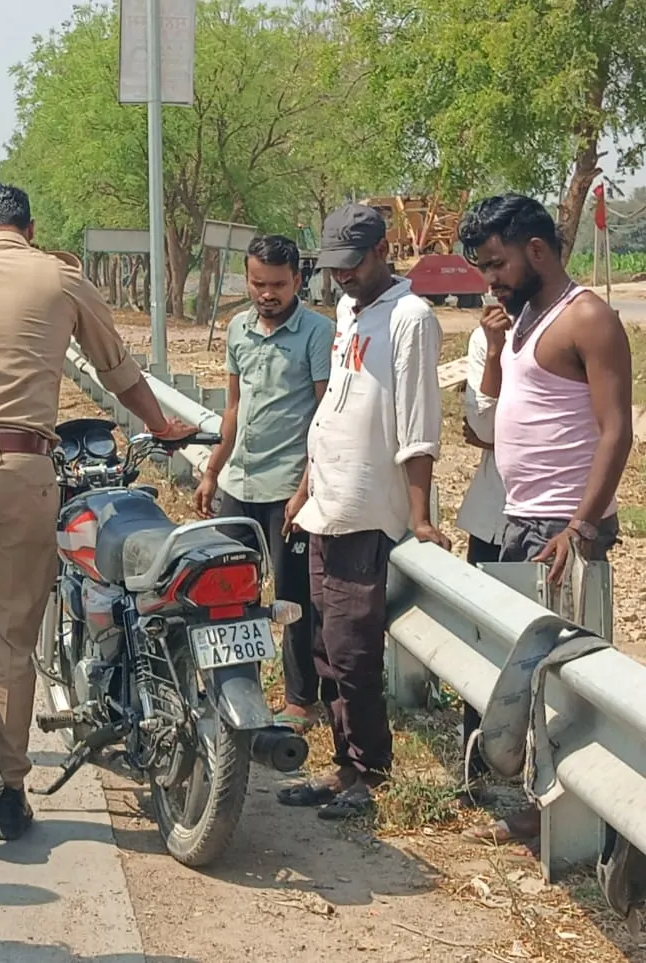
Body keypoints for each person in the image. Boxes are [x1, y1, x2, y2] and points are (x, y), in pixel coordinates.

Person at [0, 183, 193, 842]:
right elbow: (117, 370)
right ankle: (9, 792)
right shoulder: (61, 278)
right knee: (10, 632)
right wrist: (162, 425)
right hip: (26, 463)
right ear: (29, 230)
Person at [457, 193, 632, 845]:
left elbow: (617, 432)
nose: (491, 278)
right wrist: (498, 346)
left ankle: (577, 824)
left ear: (536, 250)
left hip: (564, 525)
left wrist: (581, 527)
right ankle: (537, 807)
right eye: (483, 266)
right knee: (528, 678)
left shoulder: (587, 316)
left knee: (569, 679)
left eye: (497, 262)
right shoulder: (521, 319)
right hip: (521, 519)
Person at [277, 203, 450, 820]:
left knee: (353, 650)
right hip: (327, 504)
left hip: (365, 512)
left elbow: (417, 421)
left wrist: (420, 514)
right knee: (326, 645)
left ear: (381, 251)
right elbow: (332, 414)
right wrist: (304, 491)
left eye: (351, 265)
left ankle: (370, 773)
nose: (340, 278)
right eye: (333, 268)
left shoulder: (410, 317)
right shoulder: (350, 311)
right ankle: (345, 764)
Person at [194, 234, 332, 734]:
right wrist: (213, 469)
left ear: (298, 280)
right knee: (229, 590)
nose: (267, 294)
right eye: (257, 283)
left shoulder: (318, 333)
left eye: (277, 284)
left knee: (292, 598)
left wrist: (304, 491)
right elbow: (233, 407)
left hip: (287, 489)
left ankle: (300, 702)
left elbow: (323, 417)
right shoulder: (238, 329)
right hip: (239, 483)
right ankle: (236, 687)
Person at [456, 323, 507, 789]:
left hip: (552, 518)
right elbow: (484, 425)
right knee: (481, 645)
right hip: (493, 512)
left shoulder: (576, 329)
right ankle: (477, 767)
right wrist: (494, 352)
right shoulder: (484, 338)